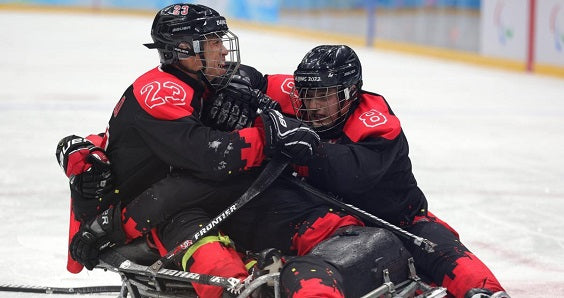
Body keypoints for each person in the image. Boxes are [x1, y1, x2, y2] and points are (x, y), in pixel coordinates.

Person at [57, 4, 365, 298]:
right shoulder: (161, 90)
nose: (222, 48)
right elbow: (213, 157)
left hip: (187, 200)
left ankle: (307, 264)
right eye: (213, 41)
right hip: (152, 214)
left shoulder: (201, 82)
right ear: (182, 50)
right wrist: (269, 136)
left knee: (296, 209)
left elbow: (285, 90)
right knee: (224, 266)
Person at [203, 45, 511, 298]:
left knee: (459, 269)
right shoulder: (302, 92)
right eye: (307, 95)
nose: (312, 106)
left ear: (351, 93)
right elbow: (257, 80)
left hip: (400, 219)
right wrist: (236, 82)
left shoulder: (375, 120)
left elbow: (352, 175)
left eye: (324, 97)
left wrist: (305, 144)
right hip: (339, 227)